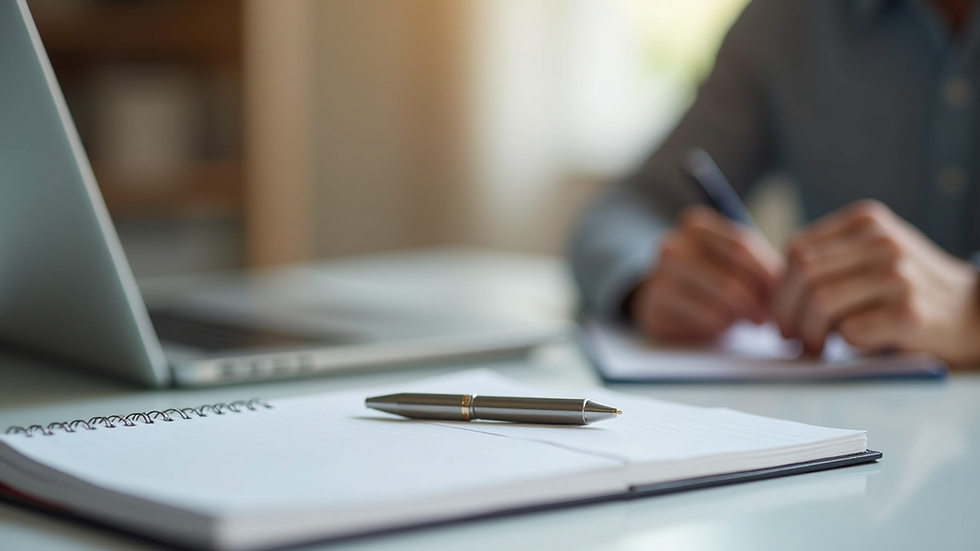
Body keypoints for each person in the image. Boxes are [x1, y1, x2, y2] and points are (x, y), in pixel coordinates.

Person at [569, 0, 980, 366]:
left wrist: (970, 312)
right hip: (845, 417)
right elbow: (624, 210)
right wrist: (650, 277)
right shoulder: (787, 18)